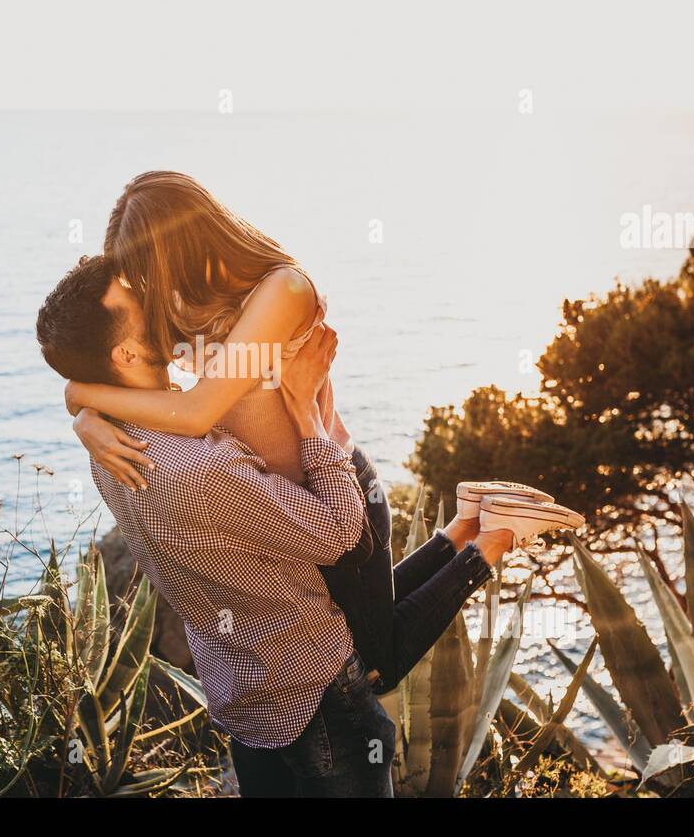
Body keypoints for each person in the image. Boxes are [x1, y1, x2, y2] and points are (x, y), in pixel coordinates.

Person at [36, 255, 583, 796]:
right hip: (312, 694)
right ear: (127, 353)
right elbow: (341, 531)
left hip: (238, 688)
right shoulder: (196, 469)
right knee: (380, 655)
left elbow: (97, 397)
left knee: (380, 641)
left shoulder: (107, 438)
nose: (157, 298)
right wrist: (306, 414)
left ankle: (469, 530)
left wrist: (80, 405)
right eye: (138, 299)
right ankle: (490, 537)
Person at [62, 171, 583, 691]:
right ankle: (470, 519)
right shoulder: (185, 303)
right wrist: (84, 415)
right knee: (360, 628)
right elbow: (126, 363)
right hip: (285, 505)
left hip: (333, 488)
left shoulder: (282, 289)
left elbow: (197, 412)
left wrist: (83, 399)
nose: (147, 290)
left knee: (374, 668)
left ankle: (492, 537)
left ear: (179, 244)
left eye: (146, 271)